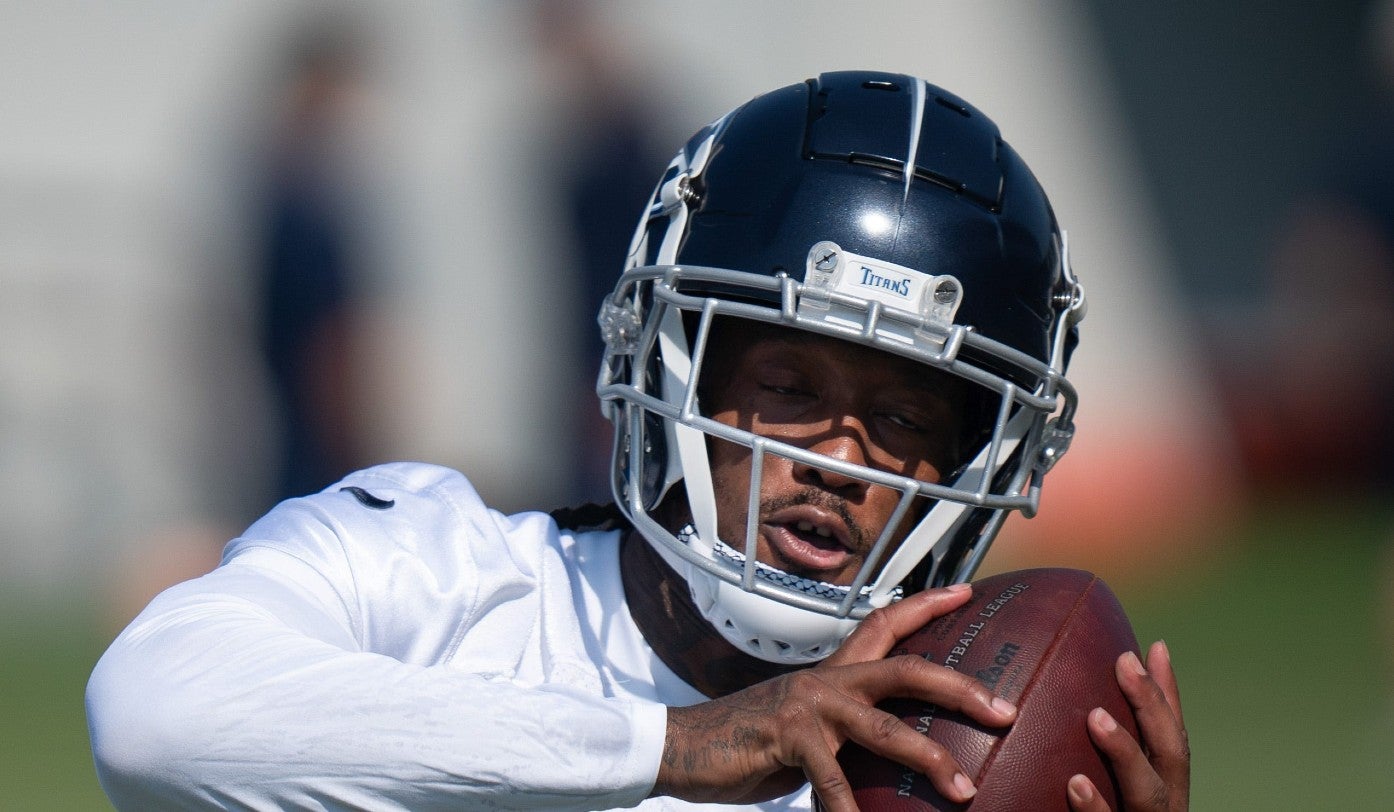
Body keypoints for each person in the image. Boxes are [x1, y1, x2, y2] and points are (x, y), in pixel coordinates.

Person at [86, 71, 1189, 811]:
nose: (836, 456)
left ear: (979, 461)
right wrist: (674, 743)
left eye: (902, 418)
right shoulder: (434, 566)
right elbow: (150, 712)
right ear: (671, 371)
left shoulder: (937, 758)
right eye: (788, 381)